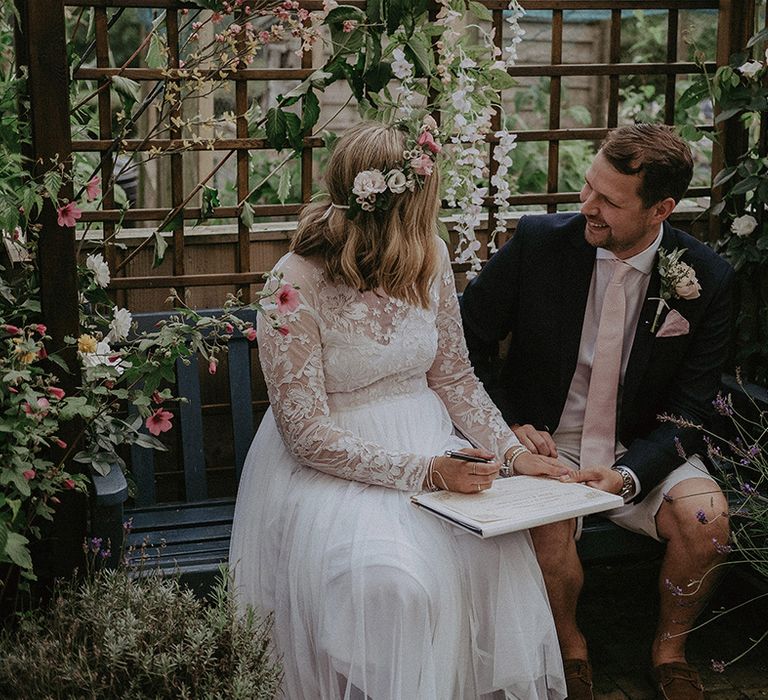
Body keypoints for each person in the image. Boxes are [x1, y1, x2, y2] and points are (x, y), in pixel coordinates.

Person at [229, 120, 570, 700]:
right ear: (399, 205)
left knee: (489, 562)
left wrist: (511, 454)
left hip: (433, 446)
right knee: (394, 588)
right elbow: (306, 434)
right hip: (332, 471)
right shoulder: (293, 280)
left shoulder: (430, 255)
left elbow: (454, 374)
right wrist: (429, 473)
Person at [461, 124, 735, 700]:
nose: (588, 206)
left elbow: (692, 408)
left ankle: (670, 652)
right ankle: (569, 647)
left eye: (609, 201)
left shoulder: (704, 277)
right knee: (546, 521)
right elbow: (465, 345)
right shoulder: (538, 246)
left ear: (661, 209)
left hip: (642, 447)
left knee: (707, 519)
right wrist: (509, 424)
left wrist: (632, 472)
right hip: (546, 441)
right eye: (589, 187)